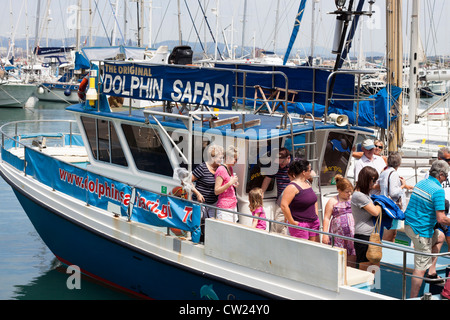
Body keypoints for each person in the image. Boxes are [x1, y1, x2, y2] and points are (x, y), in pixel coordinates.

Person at [404, 160, 450, 298]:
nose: (447, 178)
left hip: (409, 226)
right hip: (421, 232)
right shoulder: (438, 191)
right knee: (419, 269)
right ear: (441, 175)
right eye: (446, 176)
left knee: (440, 236)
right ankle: (412, 297)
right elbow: (441, 218)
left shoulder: (421, 183)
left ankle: (431, 270)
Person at [280, 159, 320, 242]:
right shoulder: (292, 187)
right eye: (309, 170)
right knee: (303, 252)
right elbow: (284, 205)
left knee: (315, 250)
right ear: (303, 172)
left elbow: (314, 200)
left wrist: (316, 215)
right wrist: (292, 222)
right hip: (300, 225)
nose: (311, 172)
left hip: (313, 223)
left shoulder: (307, 183)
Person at [351, 166, 383, 270]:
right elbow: (375, 212)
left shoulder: (365, 195)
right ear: (366, 179)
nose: (374, 183)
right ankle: (365, 286)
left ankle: (375, 286)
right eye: (373, 180)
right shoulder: (358, 195)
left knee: (374, 266)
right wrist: (380, 204)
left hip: (370, 236)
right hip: (363, 236)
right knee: (364, 266)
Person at [322, 175, 356, 267]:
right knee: (339, 256)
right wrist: (325, 234)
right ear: (339, 190)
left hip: (352, 234)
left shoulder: (353, 199)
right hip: (338, 235)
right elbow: (326, 218)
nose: (349, 194)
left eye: (350, 191)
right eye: (346, 192)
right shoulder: (332, 201)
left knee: (352, 255)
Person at [378, 152, 411, 242]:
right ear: (399, 163)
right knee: (389, 237)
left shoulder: (384, 172)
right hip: (392, 207)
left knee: (390, 235)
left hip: (386, 206)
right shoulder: (393, 174)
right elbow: (393, 192)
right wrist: (403, 186)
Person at [261, 147, 291, 234]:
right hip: (281, 201)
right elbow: (267, 179)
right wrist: (262, 192)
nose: (280, 166)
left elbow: (310, 174)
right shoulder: (275, 166)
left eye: (282, 163)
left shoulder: (295, 165)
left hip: (294, 200)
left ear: (288, 158)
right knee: (278, 225)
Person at [214, 145, 239, 222]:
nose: (236, 161)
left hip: (232, 205)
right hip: (224, 208)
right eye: (235, 159)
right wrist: (229, 183)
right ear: (228, 158)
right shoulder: (221, 169)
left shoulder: (230, 168)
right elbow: (216, 191)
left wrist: (233, 184)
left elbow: (228, 184)